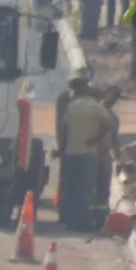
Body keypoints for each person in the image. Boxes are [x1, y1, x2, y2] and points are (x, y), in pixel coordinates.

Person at [58, 79, 117, 233]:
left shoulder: (71, 107)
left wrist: (62, 150)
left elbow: (64, 130)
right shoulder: (97, 108)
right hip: (88, 154)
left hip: (71, 153)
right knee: (85, 189)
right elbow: (109, 125)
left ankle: (69, 220)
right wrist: (96, 139)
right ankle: (81, 222)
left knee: (71, 187)